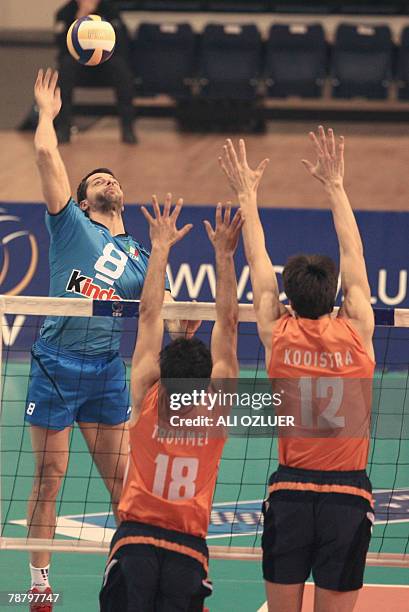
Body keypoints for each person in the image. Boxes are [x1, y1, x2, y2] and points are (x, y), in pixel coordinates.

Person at [26, 68, 198, 611]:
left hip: (104, 370)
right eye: (96, 178)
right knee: (50, 475)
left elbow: (163, 314)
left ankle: (129, 572)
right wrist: (48, 118)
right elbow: (48, 160)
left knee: (125, 485)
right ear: (81, 198)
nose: (107, 180)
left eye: (112, 178)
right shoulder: (70, 225)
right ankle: (37, 581)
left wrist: (178, 322)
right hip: (55, 364)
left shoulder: (141, 258)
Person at [220, 128, 375, 612]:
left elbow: (256, 258)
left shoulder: (278, 336)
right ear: (337, 297)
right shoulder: (359, 332)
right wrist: (335, 185)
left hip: (290, 492)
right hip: (347, 497)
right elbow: (355, 256)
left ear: (288, 297)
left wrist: (246, 193)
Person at [99, 198, 243, 611]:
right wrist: (224, 254)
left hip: (136, 540)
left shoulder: (147, 397)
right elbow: (229, 326)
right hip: (187, 550)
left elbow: (148, 315)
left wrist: (159, 247)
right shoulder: (217, 409)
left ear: (162, 373)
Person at [55, 0, 137, 143]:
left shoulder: (110, 9)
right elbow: (61, 45)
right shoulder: (65, 12)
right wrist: (79, 18)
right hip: (78, 63)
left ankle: (128, 128)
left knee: (121, 68)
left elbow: (122, 40)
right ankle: (63, 128)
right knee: (66, 67)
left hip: (105, 62)